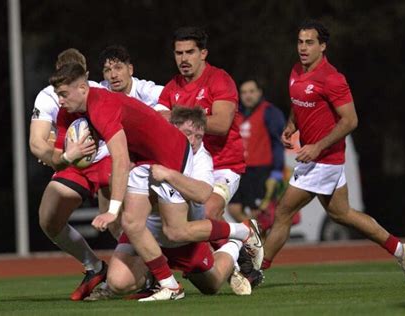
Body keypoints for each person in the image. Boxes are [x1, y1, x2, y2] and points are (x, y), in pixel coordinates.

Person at [50, 63, 262, 301]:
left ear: (82, 87)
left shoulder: (101, 107)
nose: (60, 100)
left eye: (63, 94)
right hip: (145, 162)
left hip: (168, 155)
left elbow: (119, 159)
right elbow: (57, 160)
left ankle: (242, 231)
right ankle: (169, 285)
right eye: (58, 94)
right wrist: (70, 155)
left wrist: (111, 211)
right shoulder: (74, 111)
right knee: (131, 222)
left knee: (176, 231)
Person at [260, 20, 405, 281]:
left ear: (323, 46)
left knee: (283, 211)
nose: (303, 48)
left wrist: (317, 147)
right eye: (300, 42)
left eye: (309, 42)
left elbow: (350, 120)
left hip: (325, 160)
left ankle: (256, 272)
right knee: (342, 214)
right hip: (317, 159)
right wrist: (291, 124)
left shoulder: (332, 78)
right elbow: (299, 102)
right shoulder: (296, 70)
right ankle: (401, 250)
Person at [96, 107, 251, 301]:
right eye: (187, 133)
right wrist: (123, 170)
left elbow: (202, 194)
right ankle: (155, 280)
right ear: (171, 129)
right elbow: (113, 181)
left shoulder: (201, 158)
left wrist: (169, 174)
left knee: (211, 285)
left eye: (199, 136)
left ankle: (235, 242)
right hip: (146, 233)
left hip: (184, 241)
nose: (193, 141)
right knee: (118, 283)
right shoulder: (148, 146)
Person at [29, 48, 112, 301]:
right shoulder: (47, 96)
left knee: (118, 223)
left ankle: (151, 273)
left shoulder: (100, 91)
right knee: (48, 218)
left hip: (107, 158)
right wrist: (58, 156)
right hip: (73, 163)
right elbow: (37, 143)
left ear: (85, 77)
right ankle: (95, 268)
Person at [156, 26, 246, 252]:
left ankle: (238, 247)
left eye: (190, 52)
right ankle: (239, 250)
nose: (184, 59)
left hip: (224, 165)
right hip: (189, 167)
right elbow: (158, 122)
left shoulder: (219, 80)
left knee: (208, 210)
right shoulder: (171, 88)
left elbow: (222, 125)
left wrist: (178, 117)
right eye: (179, 53)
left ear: (203, 53)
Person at [228, 78, 286, 226]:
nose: (248, 95)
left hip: (260, 170)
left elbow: (278, 144)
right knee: (233, 208)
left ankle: (260, 244)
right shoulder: (236, 114)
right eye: (244, 92)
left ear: (259, 93)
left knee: (258, 212)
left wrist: (277, 171)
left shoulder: (270, 113)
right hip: (239, 169)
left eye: (252, 91)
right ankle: (254, 238)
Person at [98, 45, 164, 108]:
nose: (113, 75)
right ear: (103, 75)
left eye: (118, 68)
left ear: (130, 70)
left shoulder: (146, 91)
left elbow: (171, 94)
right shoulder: (99, 91)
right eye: (107, 70)